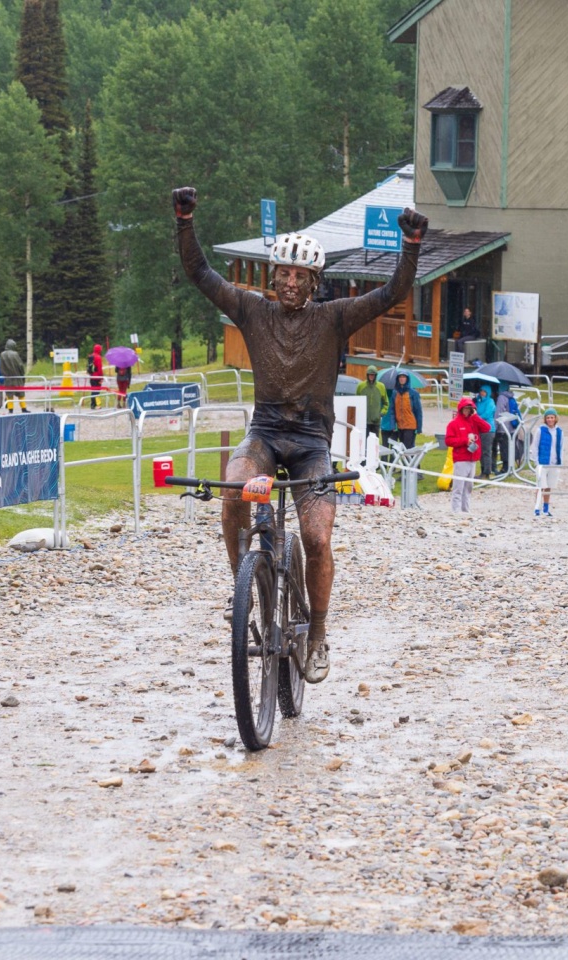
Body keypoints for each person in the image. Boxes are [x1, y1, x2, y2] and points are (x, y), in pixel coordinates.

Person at [174, 184, 425, 683]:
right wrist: (184, 220)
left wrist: (411, 246)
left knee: (315, 537)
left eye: (300, 275)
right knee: (232, 495)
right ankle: (241, 590)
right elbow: (200, 272)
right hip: (265, 433)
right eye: (284, 273)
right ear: (274, 276)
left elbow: (393, 293)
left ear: (314, 282)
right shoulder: (252, 310)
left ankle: (317, 636)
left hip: (312, 443)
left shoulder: (334, 318)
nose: (290, 282)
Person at [444, 396, 489, 513]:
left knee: (468, 488)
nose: (467, 411)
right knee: (458, 487)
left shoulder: (474, 420)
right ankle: (455, 511)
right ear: (461, 409)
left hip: (473, 458)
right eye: (465, 409)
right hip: (461, 459)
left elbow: (487, 428)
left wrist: (476, 417)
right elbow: (448, 441)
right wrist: (464, 441)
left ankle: (466, 511)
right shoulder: (454, 423)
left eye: (470, 409)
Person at [533, 408, 562, 517]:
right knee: (541, 485)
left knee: (549, 486)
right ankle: (537, 507)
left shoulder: (559, 431)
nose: (550, 419)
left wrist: (560, 460)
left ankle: (546, 507)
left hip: (554, 463)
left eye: (552, 417)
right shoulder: (540, 430)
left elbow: (560, 446)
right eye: (548, 417)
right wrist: (536, 461)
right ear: (545, 419)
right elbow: (535, 446)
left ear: (555, 418)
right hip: (542, 462)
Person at [388, 372, 423, 449]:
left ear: (407, 379)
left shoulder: (413, 393)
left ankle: (413, 461)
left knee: (408, 448)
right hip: (400, 426)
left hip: (410, 425)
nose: (402, 379)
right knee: (402, 448)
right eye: (400, 377)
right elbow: (392, 411)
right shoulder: (395, 393)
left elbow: (418, 411)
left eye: (404, 377)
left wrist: (419, 427)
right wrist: (393, 425)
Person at [356, 368, 388, 441]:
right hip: (363, 420)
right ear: (367, 375)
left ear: (375, 376)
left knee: (374, 442)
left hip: (376, 421)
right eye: (370, 374)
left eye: (373, 375)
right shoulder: (361, 386)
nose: (371, 376)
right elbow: (356, 401)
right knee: (363, 441)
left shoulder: (381, 386)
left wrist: (382, 413)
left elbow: (386, 403)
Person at [474, 385, 497, 478]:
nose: (482, 393)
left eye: (484, 391)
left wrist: (475, 418)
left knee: (486, 451)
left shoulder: (490, 402)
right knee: (480, 451)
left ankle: (487, 472)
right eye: (481, 391)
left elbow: (487, 414)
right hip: (480, 428)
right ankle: (483, 470)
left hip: (488, 429)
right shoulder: (478, 401)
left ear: (488, 393)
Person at [0, 339, 27, 412]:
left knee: (9, 394)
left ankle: (10, 410)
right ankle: (23, 408)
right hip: (17, 377)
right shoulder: (15, 354)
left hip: (8, 378)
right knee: (21, 394)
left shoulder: (2, 355)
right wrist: (22, 375)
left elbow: (1, 367)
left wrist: (5, 375)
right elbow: (20, 365)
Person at [87, 344, 104, 409]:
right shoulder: (98, 357)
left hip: (92, 376)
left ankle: (92, 404)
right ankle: (97, 404)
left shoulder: (91, 356)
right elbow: (99, 368)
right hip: (97, 377)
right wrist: (101, 378)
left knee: (93, 390)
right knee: (96, 391)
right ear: (99, 350)